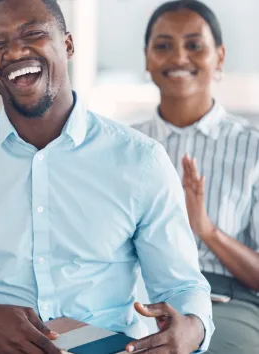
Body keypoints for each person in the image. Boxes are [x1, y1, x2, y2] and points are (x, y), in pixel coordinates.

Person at [0, 0, 214, 353]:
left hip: (110, 346)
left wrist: (193, 328)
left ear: (67, 44)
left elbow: (182, 286)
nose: (15, 52)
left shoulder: (141, 159)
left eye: (32, 34)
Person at [132, 1, 259, 353]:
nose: (178, 57)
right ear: (146, 58)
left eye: (194, 45)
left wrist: (206, 229)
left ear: (219, 57)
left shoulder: (253, 149)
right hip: (133, 300)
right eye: (163, 46)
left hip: (225, 301)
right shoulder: (123, 146)